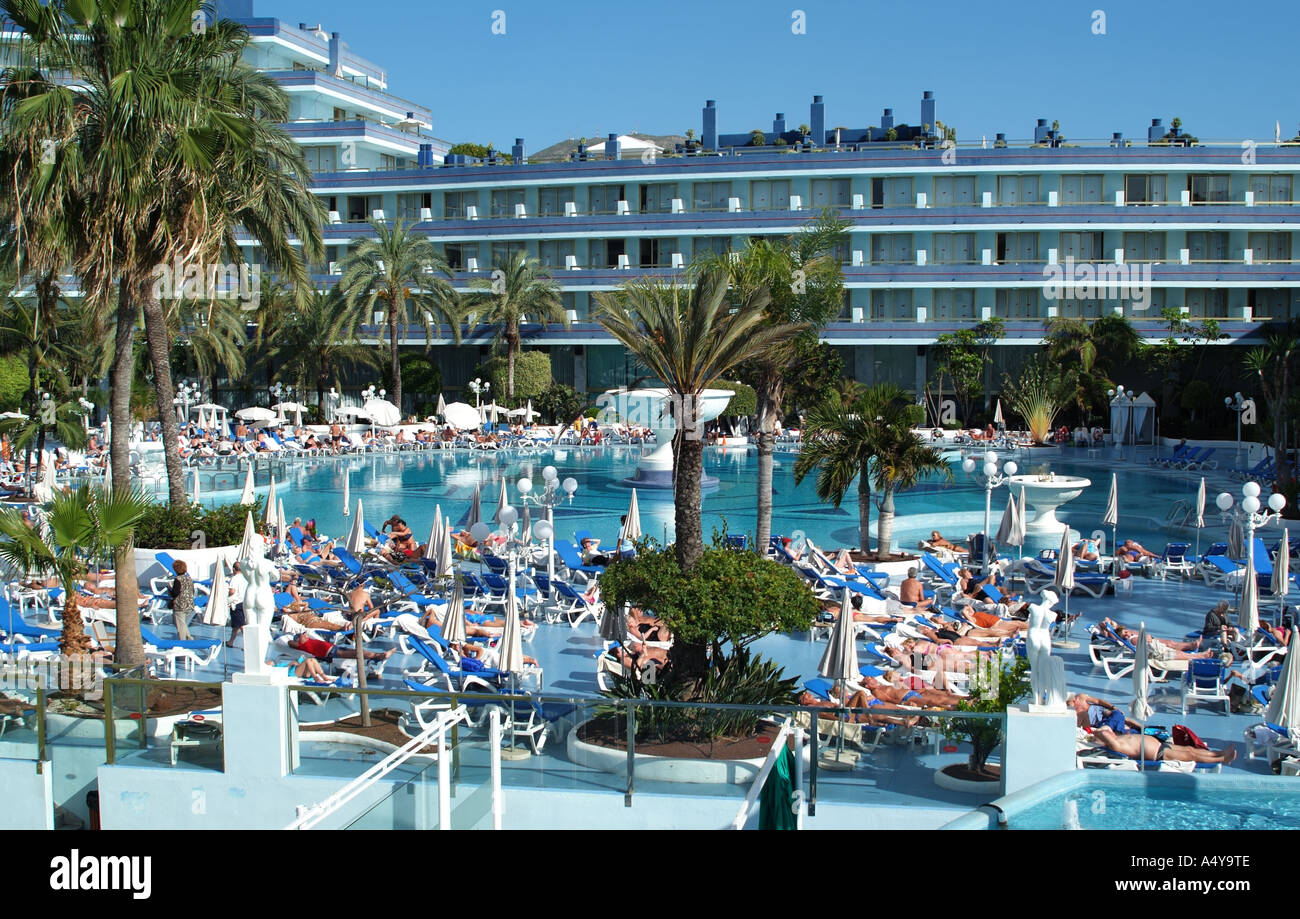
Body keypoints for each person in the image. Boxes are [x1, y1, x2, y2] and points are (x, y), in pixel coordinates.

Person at [1087, 725, 1237, 765]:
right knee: (1192, 755)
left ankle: (1220, 754)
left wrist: (1101, 732)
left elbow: (1107, 731)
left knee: (1192, 749)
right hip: (1159, 754)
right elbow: (1105, 734)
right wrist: (1097, 733)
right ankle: (1222, 759)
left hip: (1161, 746)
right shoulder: (1116, 746)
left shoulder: (1118, 739)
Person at [1066, 693, 1142, 733]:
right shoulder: (1070, 711)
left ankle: (1143, 728)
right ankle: (1122, 731)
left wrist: (1112, 707)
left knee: (1118, 714)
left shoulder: (1081, 697)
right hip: (1096, 723)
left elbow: (1098, 701)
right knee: (1119, 720)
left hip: (1101, 713)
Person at [169, 559, 197, 640]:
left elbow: (175, 593)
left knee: (180, 626)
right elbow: (193, 590)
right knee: (182, 623)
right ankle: (189, 637)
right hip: (189, 604)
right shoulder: (189, 578)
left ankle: (183, 642)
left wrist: (170, 588)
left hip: (180, 605)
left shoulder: (178, 579)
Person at [226, 561, 247, 648]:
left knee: (241, 624)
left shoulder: (234, 578)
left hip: (236, 603)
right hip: (245, 602)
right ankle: (230, 642)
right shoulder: (246, 578)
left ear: (234, 569)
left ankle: (247, 643)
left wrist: (227, 596)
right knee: (236, 625)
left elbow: (232, 591)